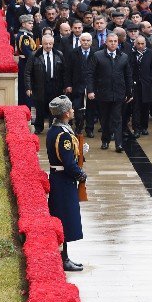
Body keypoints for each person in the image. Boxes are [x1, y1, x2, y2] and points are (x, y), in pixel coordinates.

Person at [46, 95, 87, 272]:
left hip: (60, 180)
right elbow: (69, 164)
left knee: (64, 220)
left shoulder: (58, 130)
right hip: (64, 182)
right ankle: (63, 260)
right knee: (64, 222)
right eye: (70, 109)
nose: (73, 111)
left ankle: (65, 257)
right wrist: (81, 175)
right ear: (64, 113)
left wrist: (80, 152)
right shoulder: (63, 135)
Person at [86, 32, 133, 153]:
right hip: (103, 93)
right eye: (110, 41)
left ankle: (119, 144)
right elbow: (90, 74)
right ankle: (105, 140)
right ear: (106, 42)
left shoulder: (123, 56)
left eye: (115, 41)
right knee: (105, 119)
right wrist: (90, 90)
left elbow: (128, 76)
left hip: (118, 93)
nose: (113, 43)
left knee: (117, 118)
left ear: (118, 43)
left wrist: (129, 92)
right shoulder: (97, 55)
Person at [25, 35, 65, 134]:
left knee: (54, 107)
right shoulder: (35, 55)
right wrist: (28, 87)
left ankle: (53, 127)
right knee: (40, 107)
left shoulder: (59, 54)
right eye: (46, 44)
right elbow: (28, 72)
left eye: (50, 44)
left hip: (55, 84)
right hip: (39, 85)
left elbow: (64, 71)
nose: (48, 46)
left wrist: (65, 86)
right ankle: (39, 127)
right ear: (42, 44)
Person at [64, 32, 97, 138]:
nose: (86, 42)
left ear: (91, 42)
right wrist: (68, 84)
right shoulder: (73, 52)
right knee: (78, 109)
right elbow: (68, 70)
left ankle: (90, 129)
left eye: (88, 40)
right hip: (77, 85)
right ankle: (78, 128)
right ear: (80, 41)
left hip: (91, 86)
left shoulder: (96, 53)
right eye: (83, 40)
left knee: (91, 109)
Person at [130, 35, 152, 137]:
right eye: (139, 43)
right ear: (135, 44)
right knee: (136, 108)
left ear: (145, 44)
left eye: (142, 43)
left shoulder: (150, 53)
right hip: (135, 84)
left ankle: (144, 127)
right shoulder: (131, 54)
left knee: (145, 107)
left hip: (147, 85)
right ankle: (136, 129)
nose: (140, 46)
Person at [15, 14, 36, 108]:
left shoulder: (27, 35)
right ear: (23, 24)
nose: (32, 25)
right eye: (29, 23)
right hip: (25, 63)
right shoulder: (24, 37)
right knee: (25, 87)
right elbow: (28, 53)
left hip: (26, 62)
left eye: (32, 23)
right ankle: (25, 108)